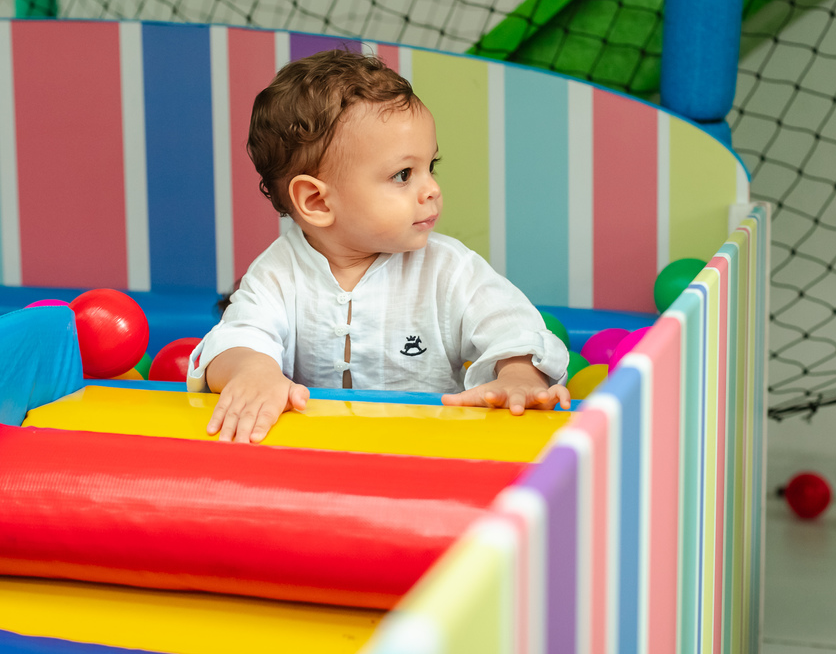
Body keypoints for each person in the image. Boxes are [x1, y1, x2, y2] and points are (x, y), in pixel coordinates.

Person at [187, 49, 570, 442]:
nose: (432, 189)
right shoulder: (277, 274)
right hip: (314, 452)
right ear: (317, 201)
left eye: (430, 167)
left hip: (429, 448)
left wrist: (519, 375)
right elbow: (236, 338)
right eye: (403, 174)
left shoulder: (448, 268)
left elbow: (512, 328)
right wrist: (253, 371)